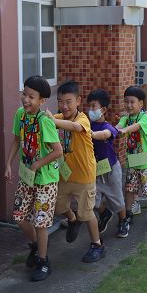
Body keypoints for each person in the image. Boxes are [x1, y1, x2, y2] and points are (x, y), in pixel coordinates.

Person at [5, 75, 63, 282]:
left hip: (46, 180)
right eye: (24, 94)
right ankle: (36, 246)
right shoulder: (20, 115)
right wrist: (8, 164)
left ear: (42, 101)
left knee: (41, 223)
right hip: (27, 177)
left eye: (31, 96)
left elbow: (58, 151)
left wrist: (38, 164)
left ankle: (43, 261)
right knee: (19, 217)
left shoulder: (45, 121)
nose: (26, 99)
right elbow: (16, 139)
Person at [48, 81, 105, 263]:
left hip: (84, 176)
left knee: (86, 213)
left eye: (69, 101)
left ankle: (97, 245)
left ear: (78, 101)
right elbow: (50, 121)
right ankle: (72, 220)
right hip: (65, 175)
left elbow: (75, 127)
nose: (64, 106)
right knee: (58, 206)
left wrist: (52, 121)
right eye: (60, 101)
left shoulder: (83, 119)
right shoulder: (59, 117)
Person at [87, 89, 129, 237]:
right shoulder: (88, 124)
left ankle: (123, 220)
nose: (90, 110)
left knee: (117, 199)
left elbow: (105, 134)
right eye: (89, 106)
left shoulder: (108, 127)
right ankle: (105, 214)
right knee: (93, 201)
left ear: (103, 109)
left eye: (93, 106)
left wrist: (91, 134)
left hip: (111, 169)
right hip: (95, 170)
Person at [117, 86, 147, 226]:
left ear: (141, 103)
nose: (129, 105)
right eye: (126, 101)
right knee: (130, 188)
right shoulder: (126, 118)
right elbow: (119, 125)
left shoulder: (144, 117)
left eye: (132, 102)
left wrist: (124, 130)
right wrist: (112, 130)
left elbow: (136, 127)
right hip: (133, 160)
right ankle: (128, 214)